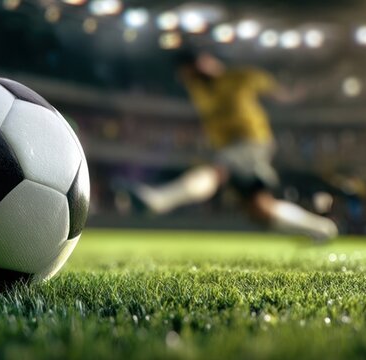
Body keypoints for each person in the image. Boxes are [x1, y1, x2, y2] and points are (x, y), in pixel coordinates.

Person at [130, 51, 338, 241]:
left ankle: (159, 200)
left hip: (251, 142)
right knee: (260, 210)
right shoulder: (198, 88)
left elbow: (278, 92)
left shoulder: (240, 77)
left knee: (218, 170)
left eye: (192, 69)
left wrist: (295, 94)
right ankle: (321, 228)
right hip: (229, 147)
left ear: (206, 60)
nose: (189, 76)